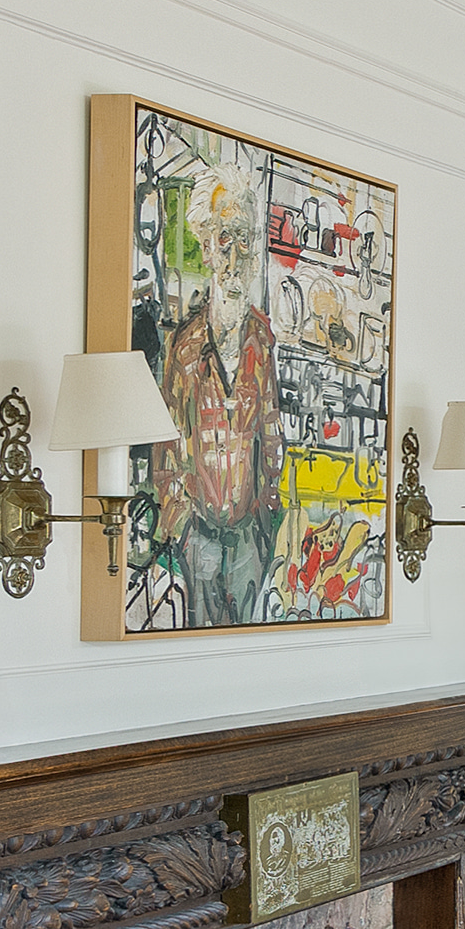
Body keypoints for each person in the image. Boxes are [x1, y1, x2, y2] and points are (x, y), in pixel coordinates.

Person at [152, 175, 283, 623]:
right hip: (199, 533)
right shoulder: (184, 349)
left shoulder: (261, 340)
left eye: (245, 240)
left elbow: (271, 433)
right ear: (207, 248)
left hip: (250, 536)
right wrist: (180, 523)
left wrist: (268, 519)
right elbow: (167, 443)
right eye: (224, 238)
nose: (234, 256)